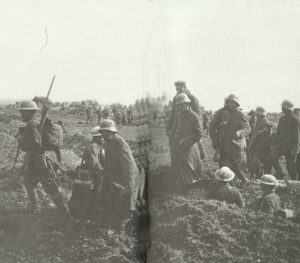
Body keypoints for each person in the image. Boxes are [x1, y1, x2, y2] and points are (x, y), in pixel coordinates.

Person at [17, 100, 73, 219]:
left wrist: (21, 139)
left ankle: (65, 212)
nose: (21, 114)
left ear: (29, 112)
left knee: (50, 186)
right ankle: (35, 208)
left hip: (42, 160)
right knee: (29, 182)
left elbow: (34, 143)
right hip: (39, 159)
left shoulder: (32, 124)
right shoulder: (38, 122)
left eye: (23, 112)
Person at [99, 119, 140, 223]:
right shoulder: (108, 142)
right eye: (102, 132)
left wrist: (128, 186)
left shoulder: (120, 143)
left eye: (107, 132)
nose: (104, 134)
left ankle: (127, 222)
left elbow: (129, 166)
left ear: (113, 131)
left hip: (126, 176)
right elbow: (108, 161)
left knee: (127, 203)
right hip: (115, 176)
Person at [209, 94, 251, 185]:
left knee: (235, 164)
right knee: (222, 161)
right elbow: (212, 126)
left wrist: (239, 133)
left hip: (235, 144)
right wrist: (215, 137)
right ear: (226, 103)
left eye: (233, 103)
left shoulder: (240, 114)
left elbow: (247, 128)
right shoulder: (221, 112)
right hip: (223, 143)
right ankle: (222, 181)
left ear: (236, 104)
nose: (231, 104)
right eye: (229, 102)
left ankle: (243, 180)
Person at [171, 93, 203, 193]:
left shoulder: (194, 116)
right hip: (179, 148)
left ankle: (190, 190)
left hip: (189, 149)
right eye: (178, 105)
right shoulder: (180, 115)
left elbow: (199, 134)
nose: (180, 107)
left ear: (187, 104)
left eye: (182, 104)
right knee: (180, 169)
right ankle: (182, 188)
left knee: (189, 170)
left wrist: (185, 141)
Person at [166, 80, 205, 160]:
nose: (178, 91)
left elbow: (198, 117)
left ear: (185, 88)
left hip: (190, 129)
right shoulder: (175, 99)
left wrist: (198, 133)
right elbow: (172, 115)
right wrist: (169, 129)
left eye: (180, 89)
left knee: (192, 154)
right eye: (177, 90)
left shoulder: (192, 99)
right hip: (178, 127)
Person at [270, 100, 300, 180]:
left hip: (291, 147)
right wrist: (273, 144)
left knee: (291, 167)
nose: (281, 109)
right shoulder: (282, 119)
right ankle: (279, 172)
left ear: (286, 108)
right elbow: (278, 133)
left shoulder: (295, 120)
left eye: (282, 107)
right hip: (281, 145)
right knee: (272, 155)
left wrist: (296, 148)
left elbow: (297, 136)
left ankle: (295, 182)